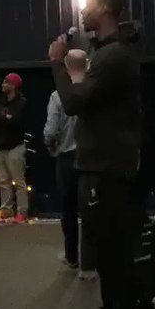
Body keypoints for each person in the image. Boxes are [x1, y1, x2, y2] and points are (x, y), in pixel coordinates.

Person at [48, 0, 143, 309]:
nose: (82, 12)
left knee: (113, 249)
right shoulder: (106, 53)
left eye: (87, 5)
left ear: (103, 8)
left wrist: (57, 62)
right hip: (100, 164)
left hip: (107, 167)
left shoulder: (115, 55)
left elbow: (74, 102)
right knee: (103, 245)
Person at [45, 49, 96, 280]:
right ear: (87, 65)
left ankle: (71, 258)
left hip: (66, 160)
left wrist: (52, 148)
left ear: (64, 67)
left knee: (68, 211)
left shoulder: (58, 97)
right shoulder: (93, 93)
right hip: (90, 159)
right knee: (90, 211)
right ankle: (89, 264)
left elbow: (51, 131)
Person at [0, 73, 29, 223]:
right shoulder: (1, 102)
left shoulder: (21, 103)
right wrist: (5, 118)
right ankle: (6, 212)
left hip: (15, 146)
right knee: (3, 181)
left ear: (14, 85)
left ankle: (22, 212)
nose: (3, 84)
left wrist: (4, 120)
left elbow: (17, 122)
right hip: (0, 146)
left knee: (19, 181)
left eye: (6, 82)